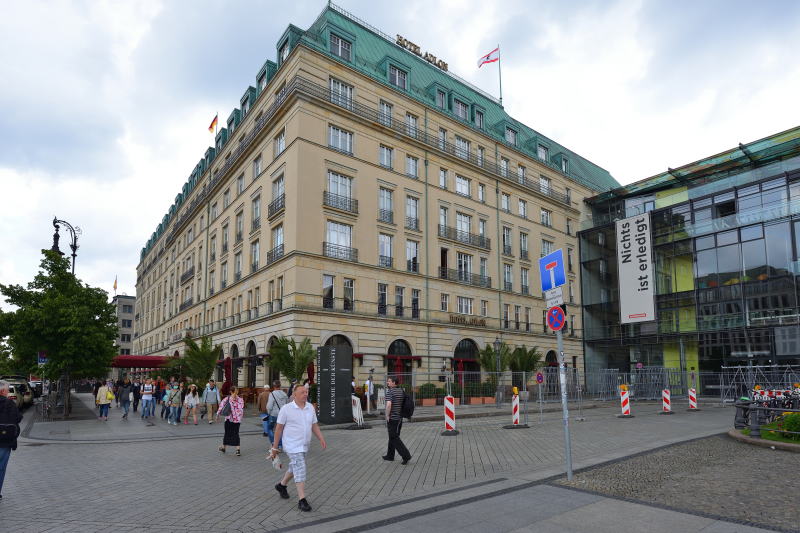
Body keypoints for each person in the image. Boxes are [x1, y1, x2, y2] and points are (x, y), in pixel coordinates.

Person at [271, 384, 326, 512]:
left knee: (294, 466)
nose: (305, 394)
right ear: (294, 395)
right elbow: (278, 429)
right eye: (302, 392)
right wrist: (274, 447)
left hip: (304, 445)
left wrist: (321, 438)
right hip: (291, 445)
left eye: (306, 392)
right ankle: (302, 500)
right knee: (300, 467)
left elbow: (314, 425)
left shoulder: (310, 407)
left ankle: (281, 485)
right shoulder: (286, 409)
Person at [0, 380, 23, 500]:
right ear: (3, 391)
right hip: (5, 440)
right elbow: (18, 418)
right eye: (8, 390)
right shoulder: (9, 403)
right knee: (1, 468)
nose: (8, 392)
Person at [382, 377, 411, 465]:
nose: (387, 382)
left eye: (389, 381)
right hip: (399, 418)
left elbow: (388, 405)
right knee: (392, 436)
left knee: (394, 437)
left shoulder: (390, 391)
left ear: (394, 382)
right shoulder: (401, 391)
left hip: (393, 419)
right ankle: (390, 455)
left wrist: (387, 415)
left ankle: (406, 456)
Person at [217, 386, 244, 456]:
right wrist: (239, 415)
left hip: (229, 419)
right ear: (236, 391)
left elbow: (221, 406)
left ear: (231, 391)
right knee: (236, 433)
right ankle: (237, 450)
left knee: (227, 433)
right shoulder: (240, 399)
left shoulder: (227, 398)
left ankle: (224, 448)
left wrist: (218, 415)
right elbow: (241, 409)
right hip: (237, 420)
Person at [266, 380, 288, 448]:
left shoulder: (272, 394)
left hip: (274, 414)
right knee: (280, 429)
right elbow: (287, 404)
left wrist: (268, 413)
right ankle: (280, 445)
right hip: (283, 415)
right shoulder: (284, 394)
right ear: (280, 386)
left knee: (269, 428)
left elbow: (269, 406)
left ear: (273, 386)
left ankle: (274, 443)